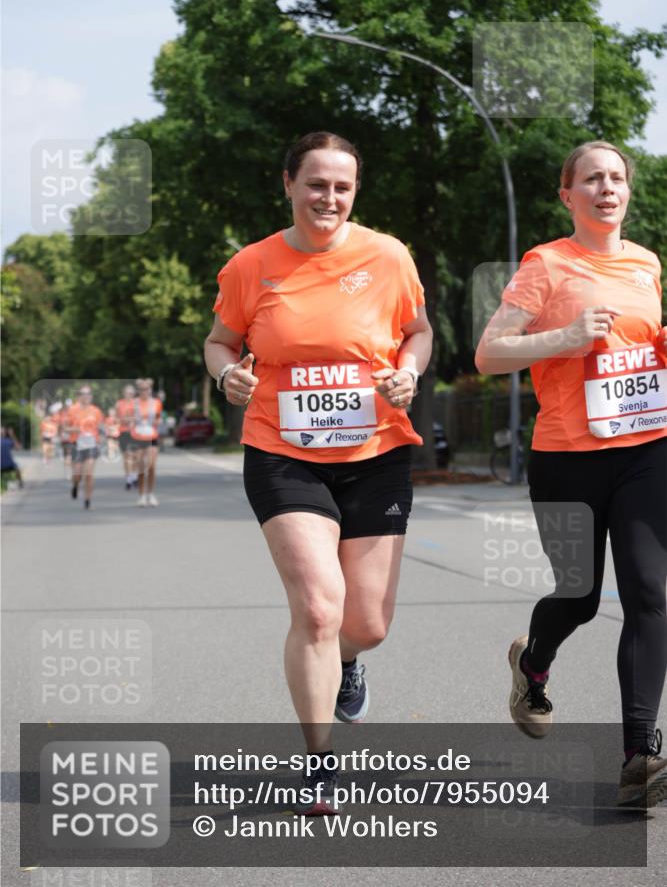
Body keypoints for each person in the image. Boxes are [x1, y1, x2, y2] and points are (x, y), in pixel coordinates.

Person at [204, 131, 432, 813]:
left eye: (341, 186)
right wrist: (227, 378)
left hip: (376, 453)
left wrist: (409, 373)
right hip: (282, 451)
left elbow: (418, 331)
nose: (327, 197)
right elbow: (219, 341)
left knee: (364, 624)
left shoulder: (388, 257)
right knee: (316, 608)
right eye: (315, 183)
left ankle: (349, 663)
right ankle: (319, 762)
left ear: (354, 192)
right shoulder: (252, 265)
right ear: (288, 184)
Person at [475, 141, 667, 808]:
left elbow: (644, 347)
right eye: (591, 179)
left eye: (615, 177)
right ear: (567, 196)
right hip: (565, 456)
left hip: (646, 447)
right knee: (579, 596)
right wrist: (563, 338)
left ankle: (639, 755)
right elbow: (488, 354)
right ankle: (531, 666)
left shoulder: (645, 263)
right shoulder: (545, 264)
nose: (605, 187)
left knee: (649, 594)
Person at [69, 385, 105, 510]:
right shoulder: (72, 410)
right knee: (77, 475)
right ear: (79, 396)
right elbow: (63, 427)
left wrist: (102, 436)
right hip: (77, 444)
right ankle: (75, 485)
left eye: (88, 394)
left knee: (89, 474)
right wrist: (75, 429)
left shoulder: (96, 411)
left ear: (91, 396)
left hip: (91, 444)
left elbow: (101, 427)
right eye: (83, 394)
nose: (86, 396)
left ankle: (87, 500)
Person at [131, 378, 162, 507]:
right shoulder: (134, 403)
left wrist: (157, 422)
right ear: (138, 391)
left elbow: (159, 418)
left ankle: (151, 494)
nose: (144, 391)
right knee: (141, 467)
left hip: (151, 436)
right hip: (138, 436)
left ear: (150, 390)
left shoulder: (156, 403)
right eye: (142, 389)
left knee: (151, 466)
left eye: (147, 389)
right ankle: (142, 495)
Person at [116, 384, 138, 489]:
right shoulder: (119, 404)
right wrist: (124, 420)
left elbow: (140, 417)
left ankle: (134, 476)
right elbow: (117, 418)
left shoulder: (137, 403)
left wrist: (132, 420)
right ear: (123, 393)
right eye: (127, 393)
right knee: (127, 456)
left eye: (131, 393)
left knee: (135, 456)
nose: (129, 395)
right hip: (124, 432)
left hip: (136, 432)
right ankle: (128, 478)